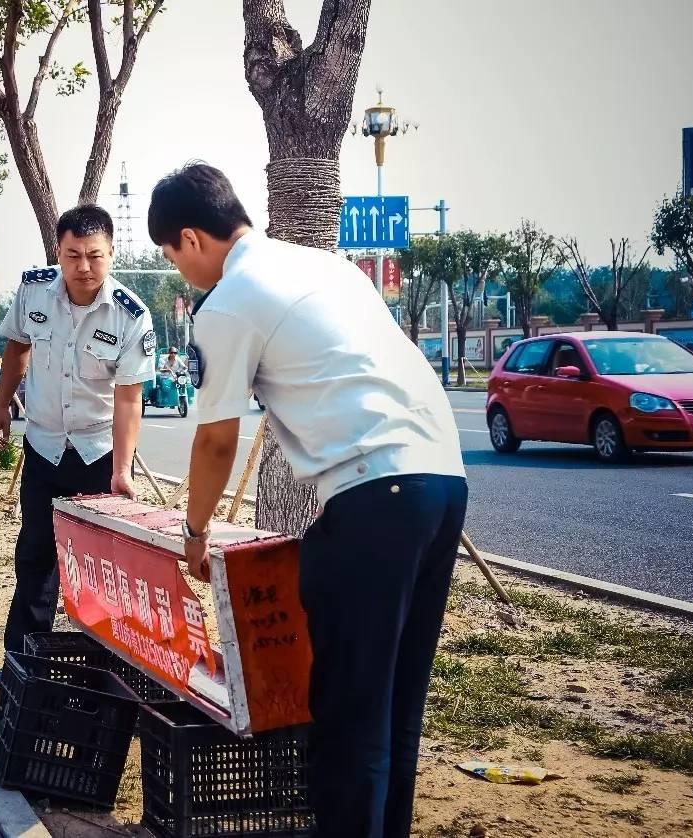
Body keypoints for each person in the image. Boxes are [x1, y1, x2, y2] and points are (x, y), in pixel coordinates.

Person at [148, 163, 467, 838]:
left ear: (190, 239)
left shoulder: (231, 299)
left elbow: (213, 440)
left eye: (174, 260)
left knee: (351, 715)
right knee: (395, 708)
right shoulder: (328, 267)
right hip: (443, 483)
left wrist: (196, 532)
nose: (182, 274)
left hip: (377, 495)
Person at [0, 204, 157, 685]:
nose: (84, 267)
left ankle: (100, 677)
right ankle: (22, 667)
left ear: (111, 253)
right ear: (59, 253)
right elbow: (17, 347)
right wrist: (2, 405)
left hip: (96, 455)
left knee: (99, 571)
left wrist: (121, 471)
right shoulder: (33, 290)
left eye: (95, 256)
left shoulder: (131, 316)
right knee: (36, 557)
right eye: (73, 255)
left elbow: (129, 399)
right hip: (43, 447)